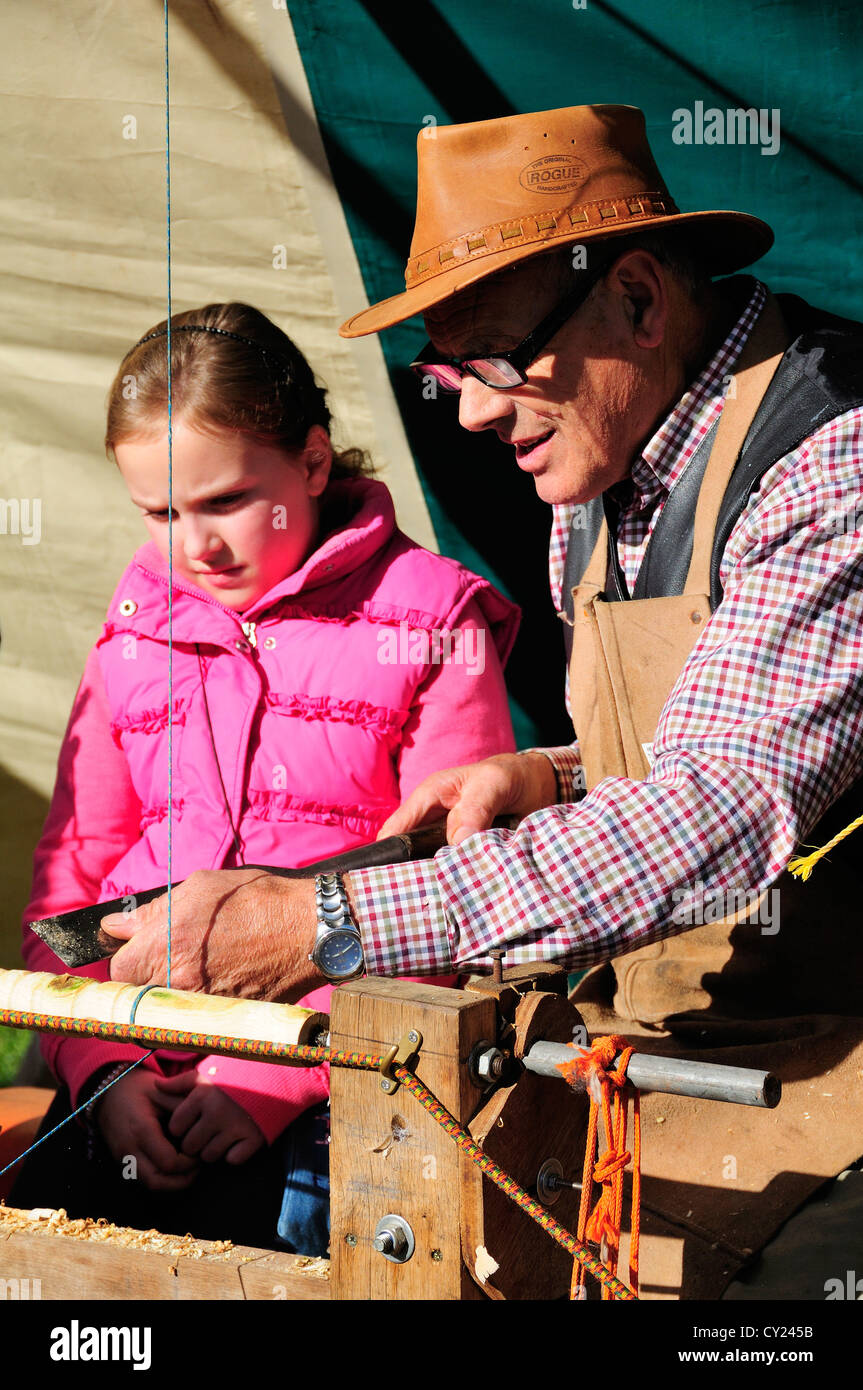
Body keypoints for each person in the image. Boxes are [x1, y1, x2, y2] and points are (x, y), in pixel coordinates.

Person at [100, 106, 863, 1298]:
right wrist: (550, 773)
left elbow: (721, 809)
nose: (466, 410)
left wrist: (327, 926)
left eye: (496, 359)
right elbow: (714, 730)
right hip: (670, 1049)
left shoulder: (831, 457)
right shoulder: (601, 457)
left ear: (639, 300)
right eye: (444, 372)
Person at [12, 301, 519, 1252]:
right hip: (130, 1087)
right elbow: (74, 874)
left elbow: (449, 887)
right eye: (161, 513)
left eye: (226, 502)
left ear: (315, 465)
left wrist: (281, 1077)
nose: (196, 546)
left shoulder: (429, 618)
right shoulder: (132, 635)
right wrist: (99, 1064)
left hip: (335, 1100)